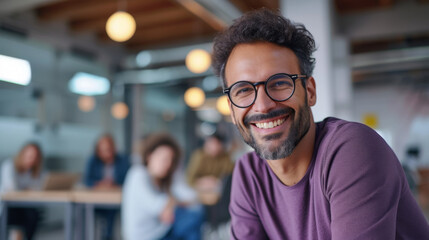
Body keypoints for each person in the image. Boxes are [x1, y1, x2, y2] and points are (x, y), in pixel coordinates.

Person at [211, 8, 429, 239]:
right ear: (232, 110)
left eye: (279, 83)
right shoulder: (248, 174)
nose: (263, 105)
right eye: (243, 90)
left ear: (310, 91)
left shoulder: (352, 149)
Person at [122, 133, 204, 240]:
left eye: (170, 159)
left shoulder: (163, 180)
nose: (167, 164)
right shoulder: (138, 174)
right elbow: (159, 207)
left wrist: (171, 204)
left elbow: (190, 197)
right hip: (147, 237)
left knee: (196, 214)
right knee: (193, 218)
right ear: (149, 156)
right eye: (163, 158)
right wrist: (170, 204)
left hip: (161, 232)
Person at [83, 134, 130, 240]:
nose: (107, 153)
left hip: (116, 201)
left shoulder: (123, 161)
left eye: (109, 149)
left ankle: (108, 237)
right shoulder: (93, 161)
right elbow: (86, 180)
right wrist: (99, 184)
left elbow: (128, 180)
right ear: (98, 150)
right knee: (84, 210)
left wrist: (114, 184)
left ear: (114, 148)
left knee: (112, 211)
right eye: (103, 150)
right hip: (96, 200)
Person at [0, 142, 44, 240]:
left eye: (35, 157)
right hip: (7, 207)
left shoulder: (33, 172)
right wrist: (27, 189)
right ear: (22, 154)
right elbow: (11, 189)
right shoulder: (9, 166)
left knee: (34, 214)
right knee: (28, 216)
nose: (32, 159)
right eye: (30, 156)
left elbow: (39, 187)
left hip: (23, 207)